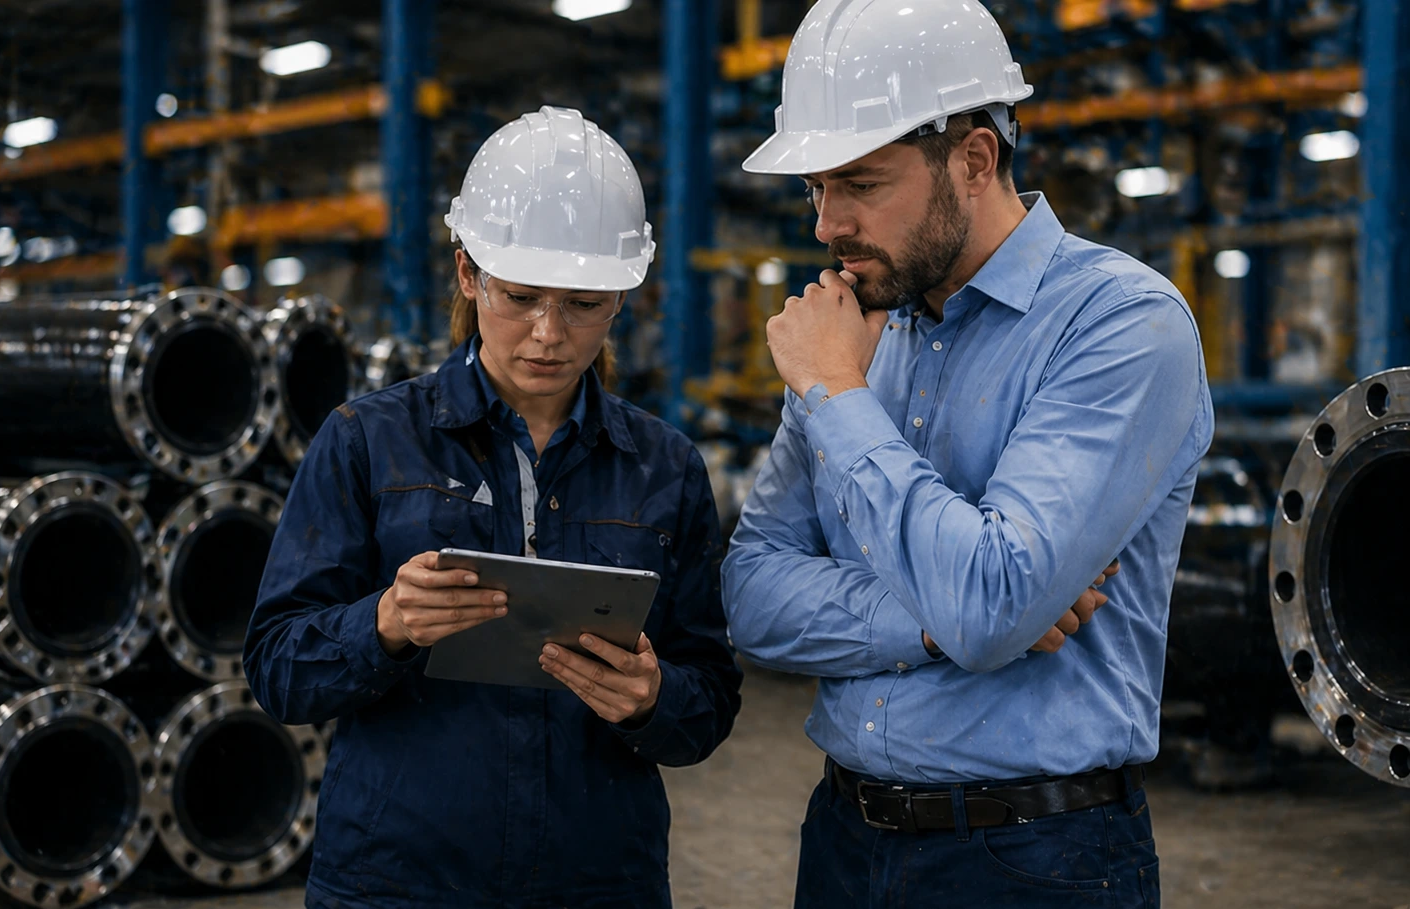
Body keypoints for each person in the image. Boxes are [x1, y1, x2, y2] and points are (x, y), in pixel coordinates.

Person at [722, 2, 1213, 907]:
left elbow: (992, 603)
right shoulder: (858, 323)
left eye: (860, 184)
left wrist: (835, 396)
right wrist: (930, 622)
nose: (826, 224)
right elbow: (749, 596)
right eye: (815, 190)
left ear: (974, 159)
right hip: (841, 840)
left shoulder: (1119, 326)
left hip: (1035, 859)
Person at [245, 105, 742, 909]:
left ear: (622, 296)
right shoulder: (366, 443)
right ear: (468, 274)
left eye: (583, 303)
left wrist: (654, 699)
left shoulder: (663, 466)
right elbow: (277, 668)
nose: (549, 334)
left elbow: (710, 698)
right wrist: (383, 624)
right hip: (397, 882)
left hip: (596, 883)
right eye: (520, 297)